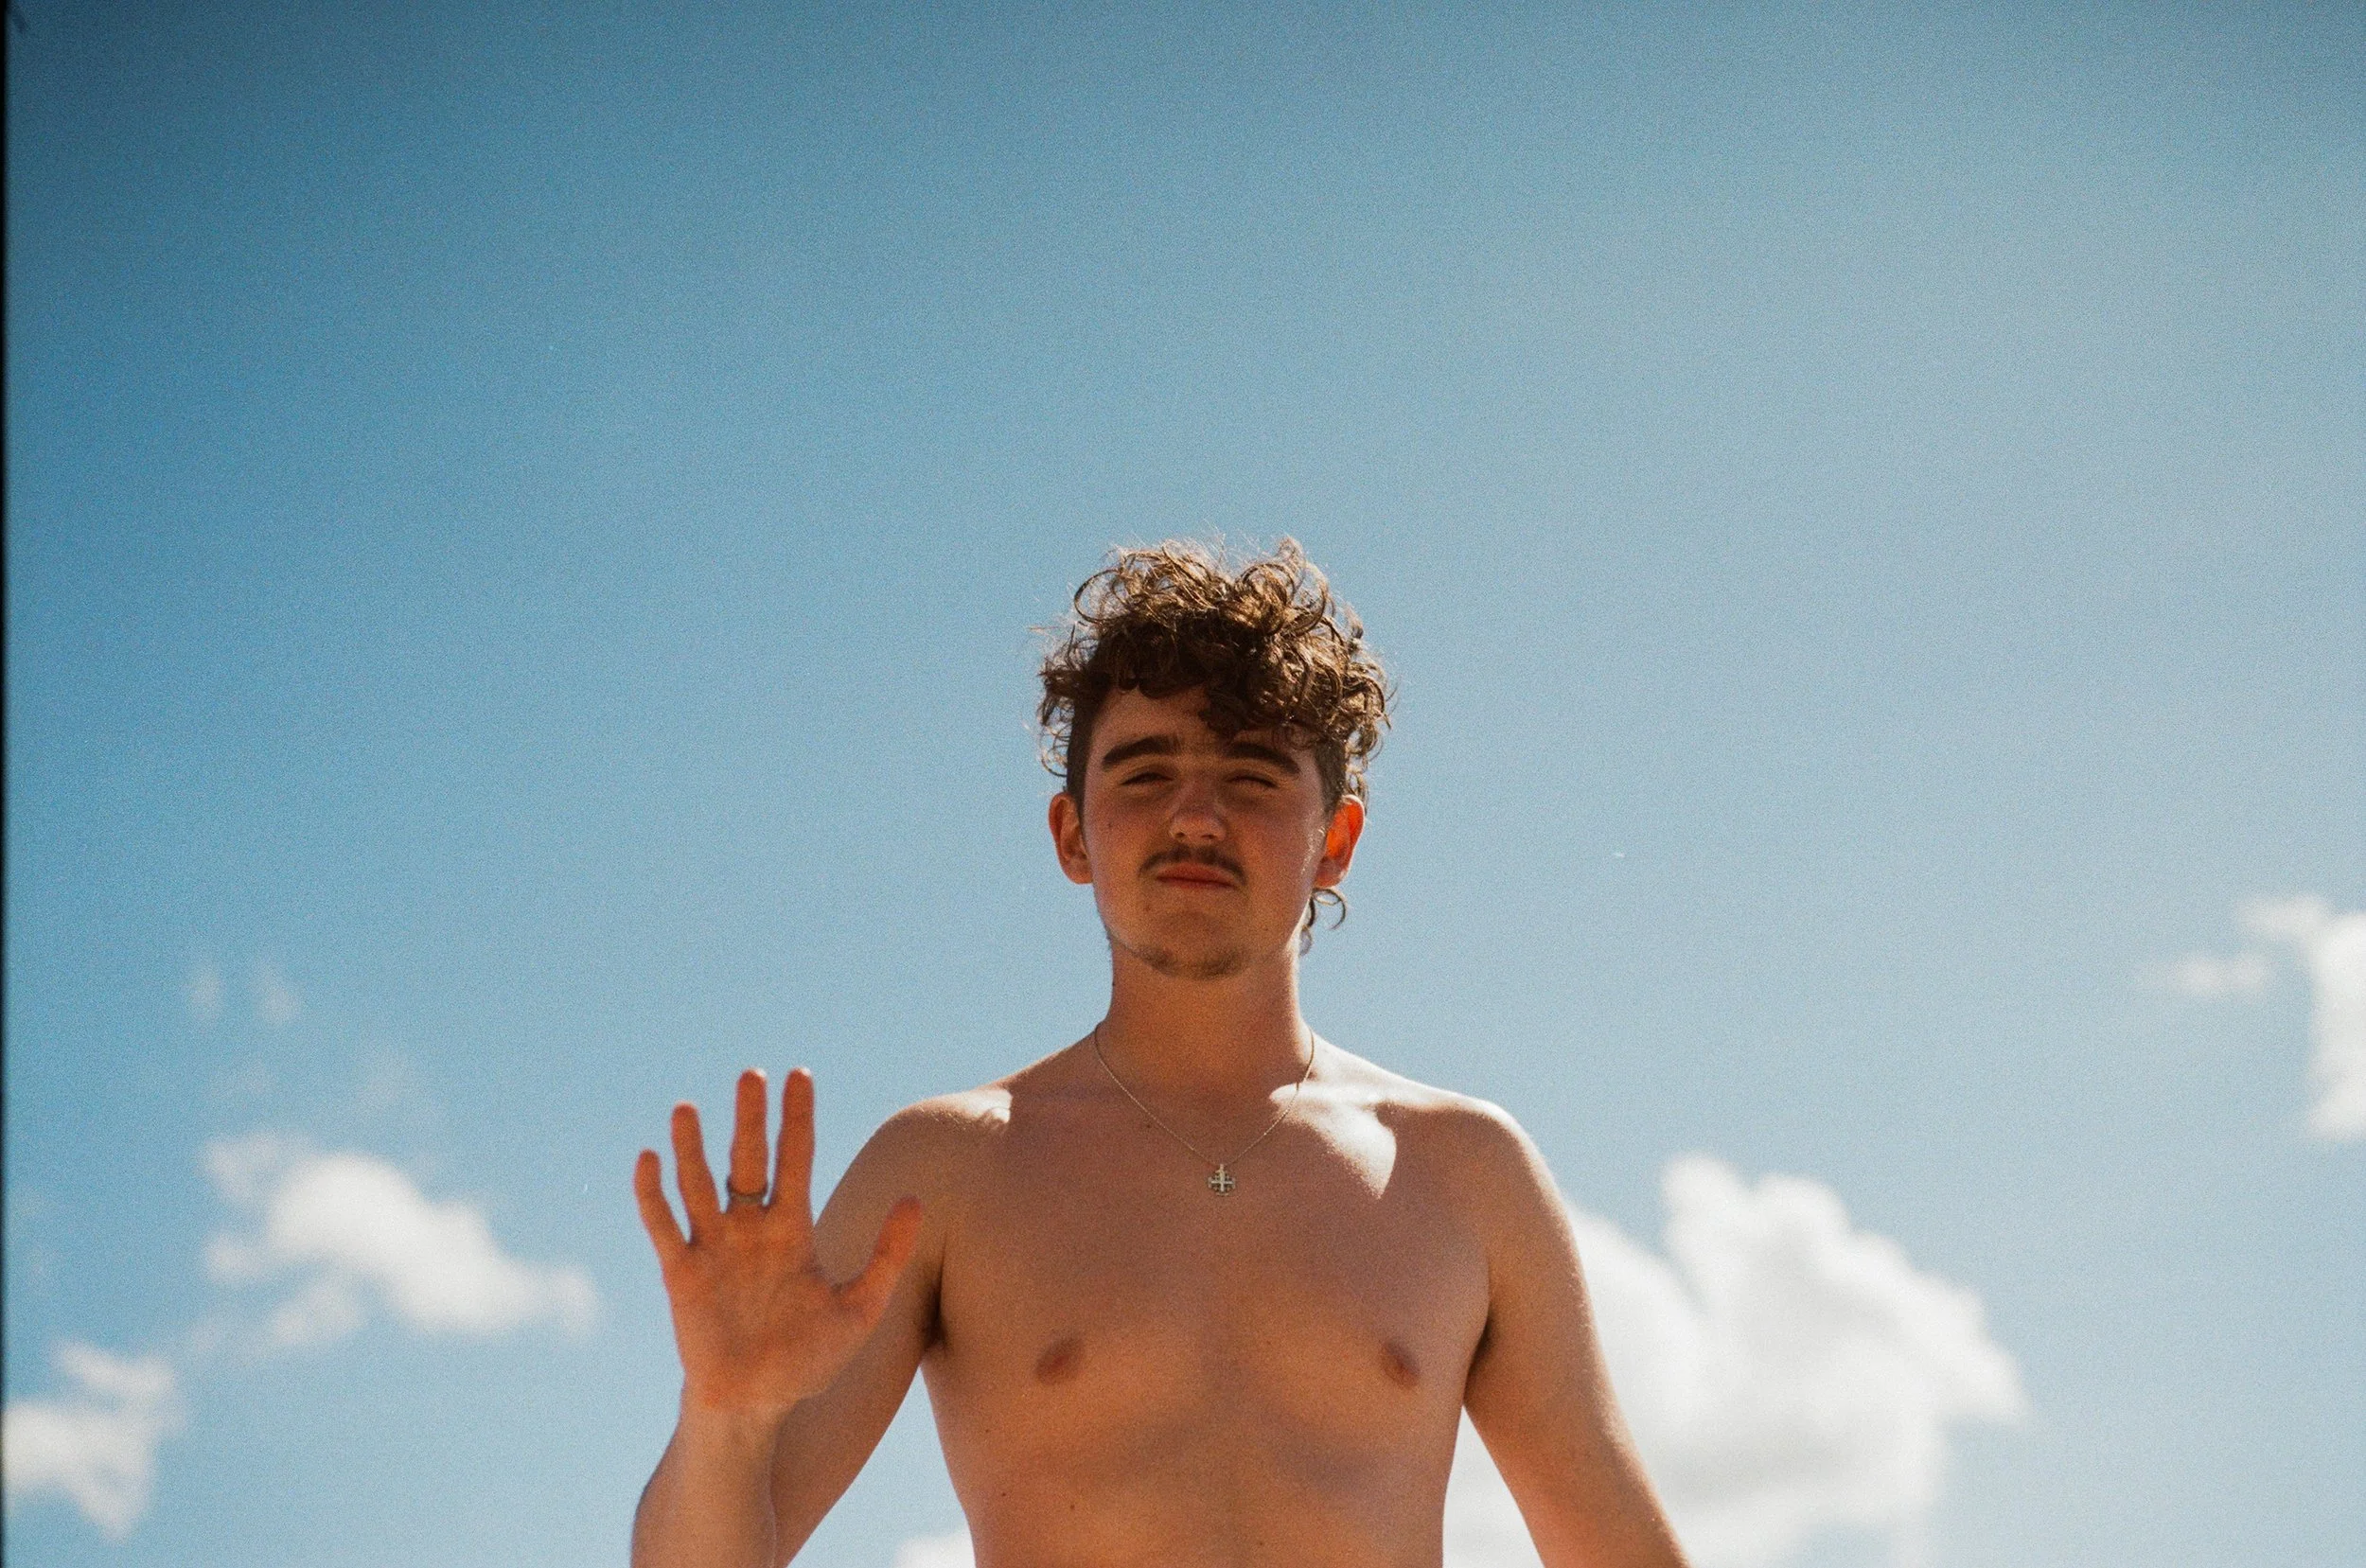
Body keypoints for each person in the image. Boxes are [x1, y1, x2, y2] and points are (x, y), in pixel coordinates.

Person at [629, 540, 1688, 1568]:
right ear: (1071, 835)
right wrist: (723, 1415)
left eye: (1252, 777)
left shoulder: (1462, 1172)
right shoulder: (947, 1171)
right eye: (1144, 775)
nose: (1194, 816)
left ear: (1335, 842)